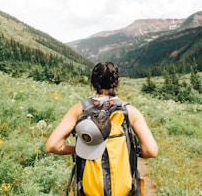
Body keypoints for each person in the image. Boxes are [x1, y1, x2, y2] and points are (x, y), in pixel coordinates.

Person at [46, 61, 158, 194]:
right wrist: (133, 150)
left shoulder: (79, 110)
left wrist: (81, 150)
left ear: (93, 82)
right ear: (117, 82)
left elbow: (52, 146)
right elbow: (151, 151)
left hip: (90, 189)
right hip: (123, 190)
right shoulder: (130, 111)